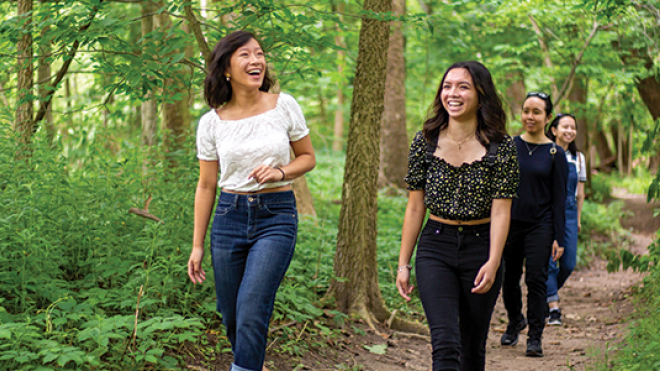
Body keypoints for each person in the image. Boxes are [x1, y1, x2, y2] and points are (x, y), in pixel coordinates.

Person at [187, 30, 316, 371]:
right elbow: (205, 185)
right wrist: (197, 245)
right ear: (226, 68)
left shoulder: (283, 105)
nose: (256, 60)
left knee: (252, 306)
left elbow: (307, 158)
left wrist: (281, 172)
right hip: (229, 217)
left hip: (276, 217)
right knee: (231, 313)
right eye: (245, 55)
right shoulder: (211, 122)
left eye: (259, 53)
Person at [396, 61, 519, 371]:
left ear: (480, 94)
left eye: (463, 86)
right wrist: (403, 264)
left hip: (481, 248)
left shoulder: (502, 146)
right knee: (446, 344)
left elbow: (502, 210)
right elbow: (414, 207)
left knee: (472, 349)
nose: (453, 93)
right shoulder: (425, 140)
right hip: (435, 247)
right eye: (447, 86)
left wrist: (493, 261)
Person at [500, 92, 568, 357]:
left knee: (537, 279)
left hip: (541, 225)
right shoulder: (510, 146)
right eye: (526, 110)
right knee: (509, 279)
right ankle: (516, 320)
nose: (530, 116)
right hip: (511, 223)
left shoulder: (555, 153)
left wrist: (558, 237)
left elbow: (559, 198)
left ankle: (535, 336)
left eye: (537, 112)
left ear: (548, 118)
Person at [545, 113, 586, 325]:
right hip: (547, 211)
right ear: (554, 130)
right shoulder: (546, 153)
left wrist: (577, 218)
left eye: (573, 127)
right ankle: (553, 308)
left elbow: (580, 192)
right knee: (550, 261)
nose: (569, 131)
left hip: (569, 212)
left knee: (568, 263)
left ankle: (544, 295)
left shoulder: (579, 158)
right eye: (565, 127)